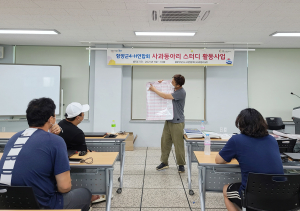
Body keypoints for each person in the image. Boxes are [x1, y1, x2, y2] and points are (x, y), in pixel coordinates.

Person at [0, 98, 92, 211]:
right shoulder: (55, 141)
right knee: (85, 193)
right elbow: (64, 187)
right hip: (42, 205)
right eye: (54, 116)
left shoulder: (14, 138)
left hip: (7, 202)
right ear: (51, 119)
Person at [215, 108, 284, 211]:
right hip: (281, 195)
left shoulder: (236, 139)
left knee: (226, 189)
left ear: (241, 124)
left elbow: (218, 160)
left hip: (253, 196)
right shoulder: (272, 139)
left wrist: (235, 155)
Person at [58, 102, 106, 203]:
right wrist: (92, 152)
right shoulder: (77, 132)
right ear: (78, 117)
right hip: (72, 164)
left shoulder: (60, 124)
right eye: (82, 113)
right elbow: (83, 152)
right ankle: (92, 193)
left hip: (62, 161)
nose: (84, 115)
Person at [149, 74, 186, 173]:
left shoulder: (181, 92)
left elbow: (165, 96)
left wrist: (155, 89)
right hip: (168, 120)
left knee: (178, 144)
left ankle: (181, 164)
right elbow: (165, 88)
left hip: (177, 122)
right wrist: (159, 84)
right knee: (165, 142)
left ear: (178, 85)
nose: (171, 82)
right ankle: (164, 162)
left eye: (173, 82)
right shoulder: (173, 88)